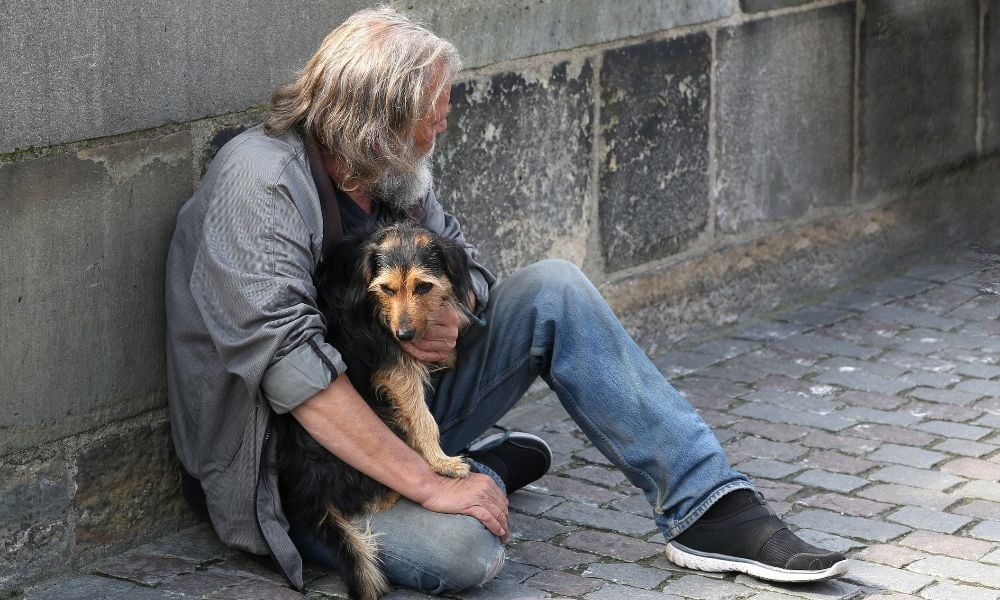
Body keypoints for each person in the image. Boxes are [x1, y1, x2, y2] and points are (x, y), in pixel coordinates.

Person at [164, 7, 848, 596]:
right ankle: (467, 465)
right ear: (377, 124)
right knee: (466, 552)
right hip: (293, 475)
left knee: (555, 287)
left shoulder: (390, 174)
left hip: (394, 403)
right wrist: (431, 487)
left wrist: (454, 319)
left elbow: (471, 268)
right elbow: (294, 375)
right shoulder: (259, 183)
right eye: (431, 119)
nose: (441, 130)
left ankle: (712, 507)